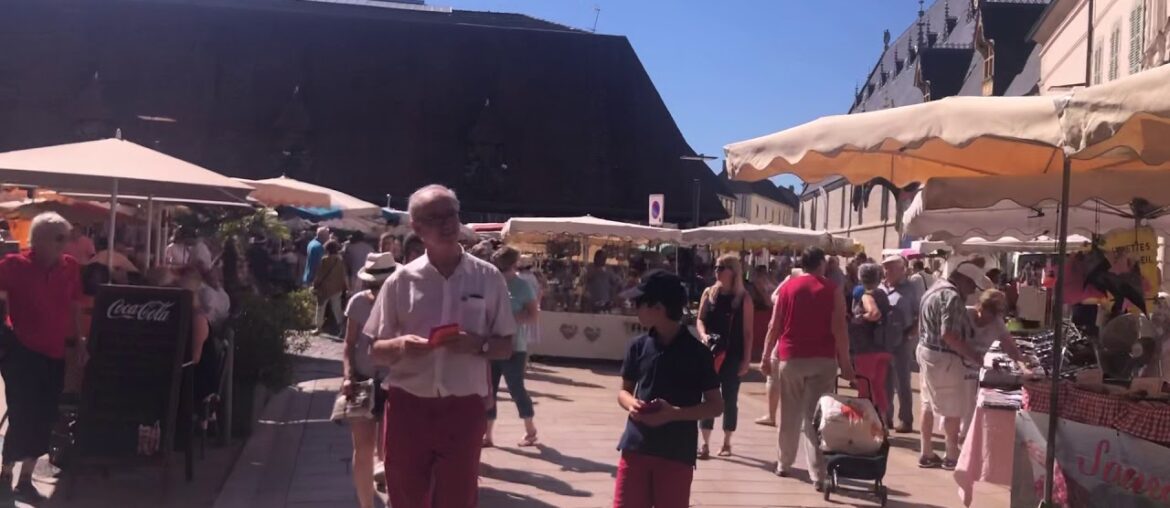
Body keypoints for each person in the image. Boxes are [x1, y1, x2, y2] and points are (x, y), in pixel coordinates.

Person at [367, 185, 515, 508]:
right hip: (408, 406)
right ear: (417, 228)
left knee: (458, 499)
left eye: (451, 214)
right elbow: (375, 351)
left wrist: (477, 344)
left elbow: (506, 346)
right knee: (404, 496)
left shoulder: (488, 278)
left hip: (463, 409)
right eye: (436, 217)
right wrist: (401, 345)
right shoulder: (400, 281)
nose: (447, 224)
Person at [613, 271, 723, 508]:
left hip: (676, 453)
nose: (635, 307)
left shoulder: (698, 354)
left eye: (639, 303)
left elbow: (716, 405)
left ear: (658, 307)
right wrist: (631, 404)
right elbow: (624, 392)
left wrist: (674, 413)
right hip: (636, 447)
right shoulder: (638, 346)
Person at [0, 213, 85, 500]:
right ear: (39, 240)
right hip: (21, 350)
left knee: (47, 414)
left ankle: (26, 477)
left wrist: (79, 342)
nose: (65, 244)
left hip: (55, 351)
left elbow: (74, 305)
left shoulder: (70, 267)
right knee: (22, 412)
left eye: (67, 237)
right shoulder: (15, 265)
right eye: (59, 238)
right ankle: (6, 470)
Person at [761, 246, 854, 491]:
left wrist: (764, 356)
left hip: (790, 357)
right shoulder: (833, 290)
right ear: (822, 265)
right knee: (815, 417)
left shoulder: (788, 288)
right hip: (823, 359)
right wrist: (846, 365)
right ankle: (818, 473)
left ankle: (784, 463)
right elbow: (840, 331)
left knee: (788, 413)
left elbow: (774, 325)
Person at [916, 262, 987, 470]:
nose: (973, 291)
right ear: (963, 280)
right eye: (972, 285)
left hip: (926, 351)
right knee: (953, 408)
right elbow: (949, 335)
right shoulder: (952, 297)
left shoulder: (933, 289)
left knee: (928, 403)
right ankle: (951, 455)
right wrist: (974, 356)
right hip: (944, 358)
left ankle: (926, 452)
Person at [342, 252, 397, 508]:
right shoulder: (357, 303)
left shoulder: (402, 302)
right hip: (362, 380)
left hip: (395, 380)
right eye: (374, 283)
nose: (378, 287)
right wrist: (347, 375)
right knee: (362, 451)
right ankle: (366, 505)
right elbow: (349, 344)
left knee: (392, 450)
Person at [696, 254, 754, 459]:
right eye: (716, 267)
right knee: (708, 396)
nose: (716, 271)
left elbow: (748, 332)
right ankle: (704, 444)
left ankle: (727, 442)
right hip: (710, 352)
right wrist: (703, 336)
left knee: (730, 398)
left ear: (733, 271)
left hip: (732, 354)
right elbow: (700, 319)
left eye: (721, 268)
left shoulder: (743, 298)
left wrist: (747, 359)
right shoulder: (709, 293)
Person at [483, 247, 540, 448]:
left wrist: (510, 319)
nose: (501, 273)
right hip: (491, 343)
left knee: (516, 388)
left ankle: (530, 430)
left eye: (503, 269)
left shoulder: (523, 286)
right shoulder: (490, 284)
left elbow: (533, 316)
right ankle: (487, 434)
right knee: (489, 390)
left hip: (515, 347)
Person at [961, 289, 1025, 439]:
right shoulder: (964, 314)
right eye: (983, 312)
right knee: (958, 404)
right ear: (979, 306)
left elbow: (1011, 348)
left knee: (971, 402)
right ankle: (957, 436)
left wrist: (1023, 367)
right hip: (956, 364)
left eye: (991, 315)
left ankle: (965, 436)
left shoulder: (997, 323)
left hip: (976, 368)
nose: (984, 319)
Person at [877, 255, 921, 433]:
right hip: (883, 341)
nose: (887, 272)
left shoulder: (911, 289)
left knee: (902, 382)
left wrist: (913, 332)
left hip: (903, 340)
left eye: (891, 268)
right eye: (885, 268)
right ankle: (886, 417)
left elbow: (920, 312)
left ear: (902, 270)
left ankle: (906, 420)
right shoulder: (881, 288)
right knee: (884, 381)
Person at [849, 263, 894, 419]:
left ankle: (865, 424)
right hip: (883, 348)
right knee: (878, 387)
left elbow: (874, 313)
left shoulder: (867, 295)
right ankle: (882, 421)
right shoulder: (882, 294)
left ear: (860, 278)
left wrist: (859, 318)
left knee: (865, 388)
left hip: (866, 350)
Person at [312, 240, 348, 335]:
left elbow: (319, 275)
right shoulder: (340, 261)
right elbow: (344, 275)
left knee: (320, 308)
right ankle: (341, 328)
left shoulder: (324, 260)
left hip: (324, 289)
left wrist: (315, 285)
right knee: (337, 309)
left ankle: (318, 327)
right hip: (337, 288)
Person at [516, 254, 544, 346]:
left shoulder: (519, 277)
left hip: (520, 310)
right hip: (531, 309)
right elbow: (539, 292)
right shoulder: (533, 278)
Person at [199, 266, 232, 331]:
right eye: (211, 278)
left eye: (215, 278)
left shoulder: (224, 296)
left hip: (213, 326)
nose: (214, 280)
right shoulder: (205, 290)